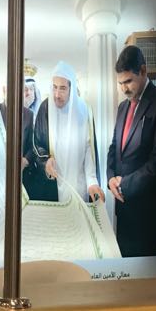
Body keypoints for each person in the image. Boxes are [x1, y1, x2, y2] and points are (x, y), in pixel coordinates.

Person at [106, 44, 156, 258]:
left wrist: (123, 184)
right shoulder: (123, 107)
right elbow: (114, 147)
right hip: (124, 208)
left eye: (128, 81)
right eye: (120, 83)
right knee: (125, 268)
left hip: (148, 212)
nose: (124, 89)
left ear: (144, 71)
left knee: (146, 274)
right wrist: (110, 178)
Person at [31, 61, 103, 204]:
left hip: (79, 185)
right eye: (55, 87)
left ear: (72, 88)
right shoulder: (45, 108)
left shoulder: (84, 110)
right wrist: (46, 161)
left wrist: (92, 181)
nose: (57, 94)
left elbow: (89, 150)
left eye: (63, 88)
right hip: (52, 184)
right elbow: (36, 143)